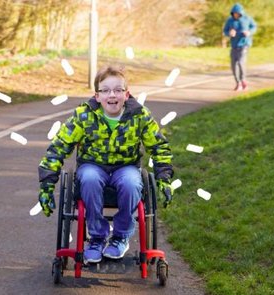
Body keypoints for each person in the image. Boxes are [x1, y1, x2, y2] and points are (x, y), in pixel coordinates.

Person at [38, 65, 173, 263]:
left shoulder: (139, 116)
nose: (112, 95)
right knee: (90, 178)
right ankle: (97, 238)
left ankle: (120, 237)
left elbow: (159, 147)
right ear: (97, 96)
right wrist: (46, 186)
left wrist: (164, 180)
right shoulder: (83, 116)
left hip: (126, 167)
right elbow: (59, 147)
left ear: (126, 95)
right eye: (106, 90)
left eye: (118, 90)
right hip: (93, 166)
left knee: (132, 183)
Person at [223, 3, 257, 91]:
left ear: (241, 13)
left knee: (241, 62)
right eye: (234, 13)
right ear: (232, 13)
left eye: (237, 13)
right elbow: (225, 31)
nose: (236, 15)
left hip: (244, 44)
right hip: (234, 45)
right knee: (233, 65)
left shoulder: (247, 18)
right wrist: (229, 33)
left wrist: (249, 32)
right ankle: (238, 82)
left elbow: (254, 27)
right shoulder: (230, 20)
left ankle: (243, 80)